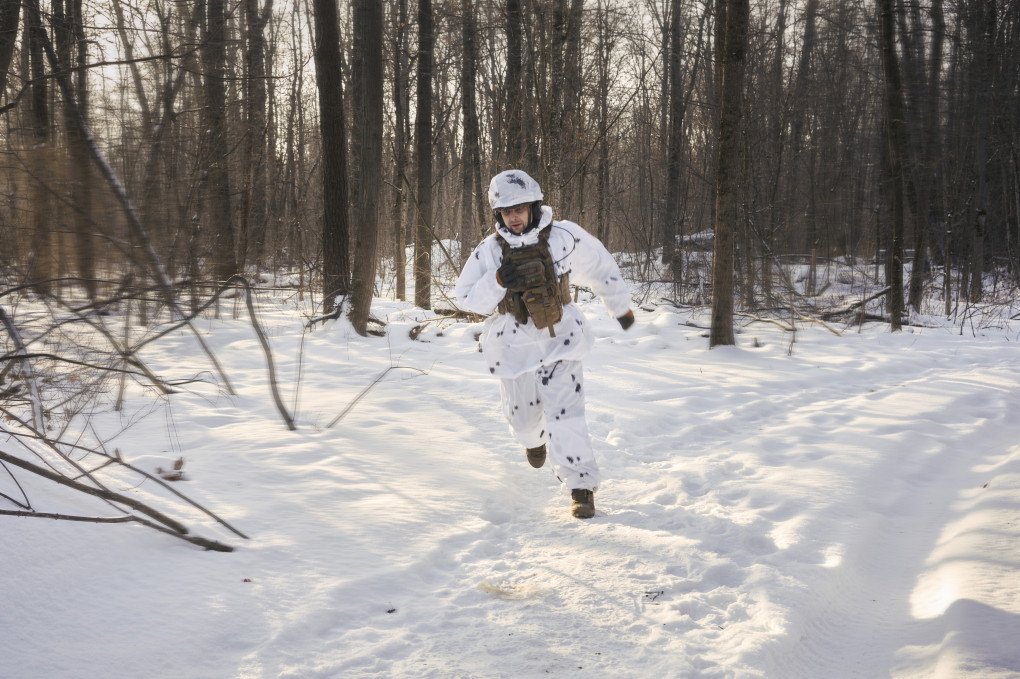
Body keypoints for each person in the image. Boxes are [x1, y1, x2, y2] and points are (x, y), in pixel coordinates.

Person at [454, 170, 634, 519]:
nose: (515, 216)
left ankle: (581, 488)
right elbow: (465, 299)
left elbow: (600, 266)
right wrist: (496, 282)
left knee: (566, 415)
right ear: (498, 215)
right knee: (522, 420)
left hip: (560, 338)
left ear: (534, 206)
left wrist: (620, 306)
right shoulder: (489, 252)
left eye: (520, 208)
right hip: (514, 345)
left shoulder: (563, 238)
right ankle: (533, 441)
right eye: (507, 211)